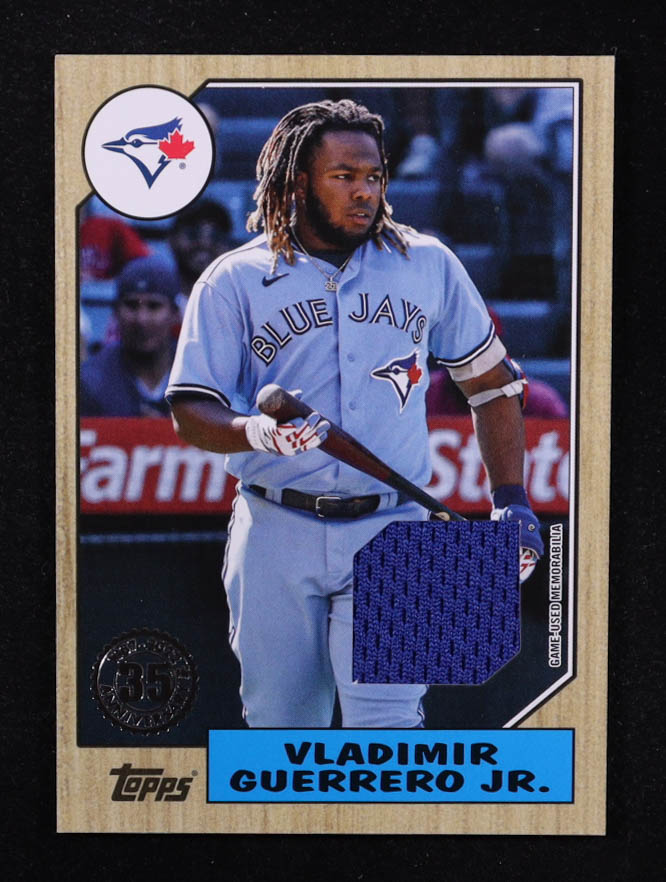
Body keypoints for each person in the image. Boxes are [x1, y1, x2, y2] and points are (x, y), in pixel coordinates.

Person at [166, 100, 544, 729]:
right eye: (343, 176)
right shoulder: (233, 279)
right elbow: (190, 409)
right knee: (281, 729)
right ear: (298, 182)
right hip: (275, 523)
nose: (364, 191)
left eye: (373, 176)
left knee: (391, 733)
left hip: (397, 526)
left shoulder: (427, 263)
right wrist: (256, 432)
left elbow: (492, 386)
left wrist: (512, 498)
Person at [81, 255, 180, 417]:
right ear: (115, 311)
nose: (142, 319)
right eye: (132, 305)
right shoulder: (89, 381)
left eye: (154, 306)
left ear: (175, 313)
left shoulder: (197, 375)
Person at [168, 198, 234, 313]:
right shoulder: (154, 303)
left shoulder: (237, 306)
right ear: (172, 240)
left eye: (216, 236)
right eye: (192, 234)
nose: (204, 243)